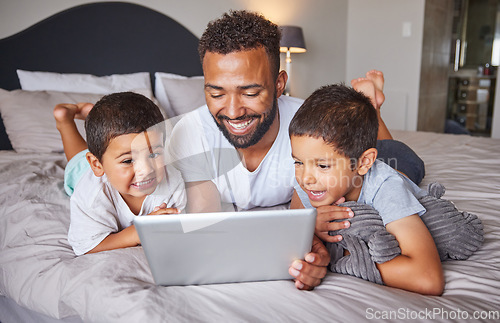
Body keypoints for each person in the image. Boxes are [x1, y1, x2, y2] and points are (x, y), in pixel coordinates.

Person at [168, 10, 425, 290]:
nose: (232, 111)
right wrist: (313, 248)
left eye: (250, 93)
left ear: (279, 85)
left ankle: (373, 109)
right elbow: (208, 222)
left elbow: (319, 207)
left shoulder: (306, 129)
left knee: (396, 168)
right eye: (216, 93)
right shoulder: (190, 134)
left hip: (385, 156)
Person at [289, 83, 444, 295]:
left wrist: (344, 256)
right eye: (297, 162)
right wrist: (311, 230)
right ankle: (372, 108)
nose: (305, 179)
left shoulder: (387, 187)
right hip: (364, 156)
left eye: (322, 165)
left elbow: (428, 279)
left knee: (393, 149)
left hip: (401, 161)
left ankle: (375, 108)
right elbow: (291, 232)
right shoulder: (310, 180)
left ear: (364, 163)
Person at [53, 92, 186, 256]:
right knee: (77, 157)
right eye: (128, 161)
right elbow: (87, 247)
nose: (146, 170)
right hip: (84, 172)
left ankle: (97, 120)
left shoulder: (173, 180)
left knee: (106, 143)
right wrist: (138, 232)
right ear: (96, 164)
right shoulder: (91, 195)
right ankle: (65, 120)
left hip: (110, 155)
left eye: (153, 154)